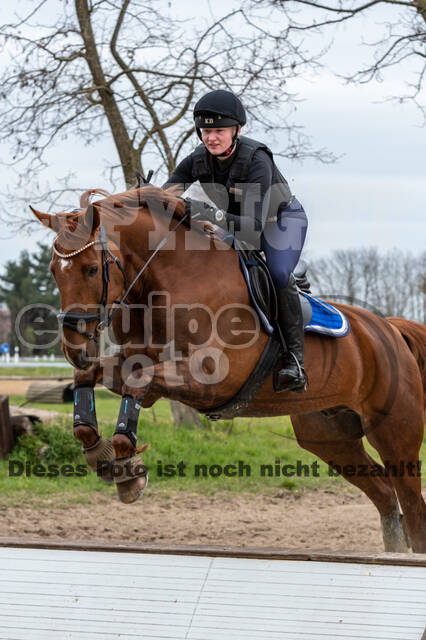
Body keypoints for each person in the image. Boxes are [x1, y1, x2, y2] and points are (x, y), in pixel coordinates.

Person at [163, 89, 308, 393]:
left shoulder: (257, 160)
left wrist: (203, 212)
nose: (211, 138)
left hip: (279, 223)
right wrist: (143, 201)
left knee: (279, 273)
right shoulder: (197, 160)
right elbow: (167, 196)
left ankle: (295, 361)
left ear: (236, 130)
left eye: (218, 131)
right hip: (236, 225)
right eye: (205, 131)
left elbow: (252, 230)